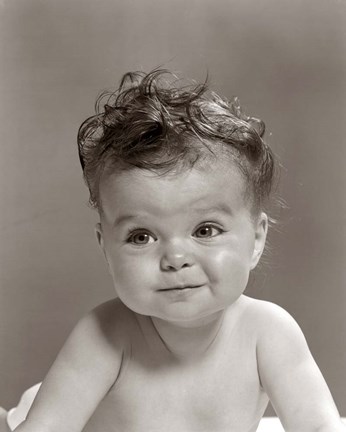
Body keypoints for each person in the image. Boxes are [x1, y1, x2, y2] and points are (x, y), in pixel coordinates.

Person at [14, 69, 345, 432]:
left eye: (205, 230)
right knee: (26, 414)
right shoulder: (105, 335)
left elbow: (319, 427)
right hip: (53, 410)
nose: (175, 259)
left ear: (256, 239)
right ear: (106, 248)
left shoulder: (267, 333)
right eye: (141, 237)